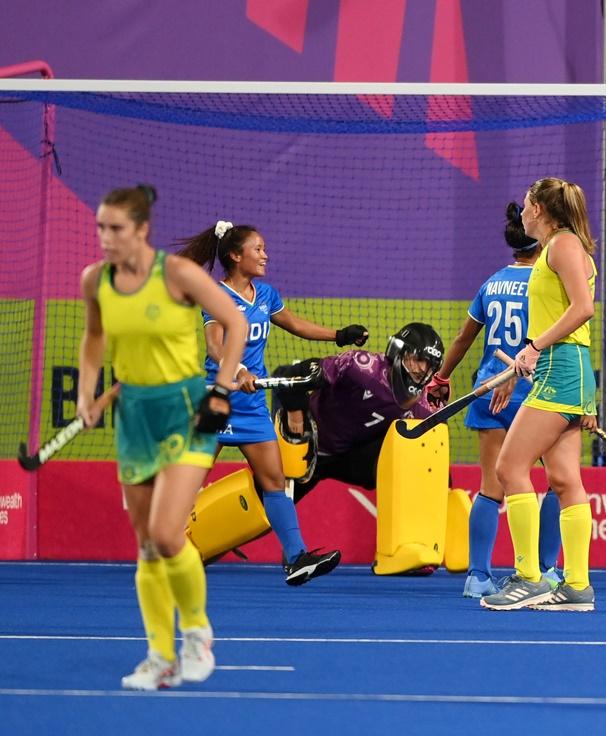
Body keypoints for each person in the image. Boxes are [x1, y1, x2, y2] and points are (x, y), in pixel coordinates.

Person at [78, 184, 248, 690]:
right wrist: (88, 396)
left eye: (116, 229)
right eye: (100, 228)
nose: (106, 238)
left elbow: (234, 321)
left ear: (142, 230)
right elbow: (94, 339)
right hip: (134, 420)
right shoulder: (96, 280)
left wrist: (221, 389)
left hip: (185, 412)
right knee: (148, 545)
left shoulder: (177, 274)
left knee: (170, 534)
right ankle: (159, 656)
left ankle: (196, 634)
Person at [177, 220, 369, 585]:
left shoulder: (265, 295)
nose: (265, 255)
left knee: (274, 482)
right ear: (236, 255)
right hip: (218, 401)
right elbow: (216, 347)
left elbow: (294, 323)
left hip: (251, 408)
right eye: (258, 249)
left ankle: (296, 558)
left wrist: (338, 336)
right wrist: (240, 371)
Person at [429, 203, 563, 598]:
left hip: (488, 390)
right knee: (557, 483)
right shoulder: (545, 282)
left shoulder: (491, 284)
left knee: (491, 487)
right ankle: (545, 571)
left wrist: (441, 377)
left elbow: (463, 339)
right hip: (537, 392)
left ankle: (478, 576)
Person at [480, 178, 599, 612]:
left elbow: (583, 308)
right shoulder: (562, 247)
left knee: (509, 466)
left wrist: (534, 348)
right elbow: (564, 317)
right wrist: (523, 361)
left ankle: (529, 578)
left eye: (528, 205)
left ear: (542, 210)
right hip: (567, 369)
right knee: (566, 480)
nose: (522, 213)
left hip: (561, 368)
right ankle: (577, 587)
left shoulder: (562, 246)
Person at [275, 322, 446, 503]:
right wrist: (296, 415)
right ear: (399, 351)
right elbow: (294, 374)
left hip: (347, 458)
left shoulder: (425, 408)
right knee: (268, 511)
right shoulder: (360, 367)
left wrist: (446, 492)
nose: (421, 369)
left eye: (429, 366)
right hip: (306, 446)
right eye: (417, 360)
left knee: (409, 452)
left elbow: (434, 457)